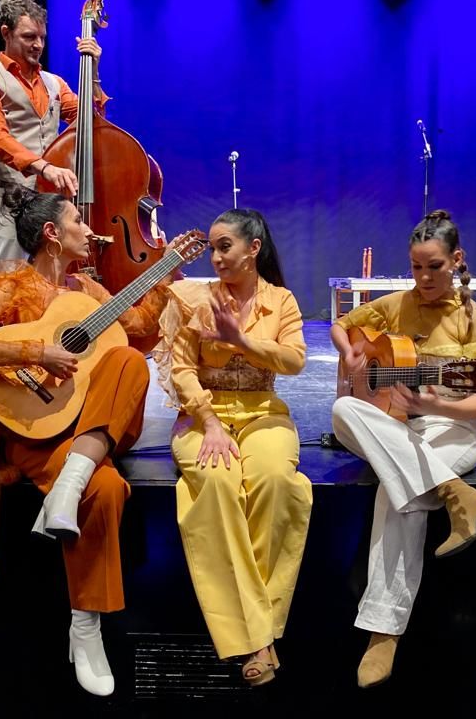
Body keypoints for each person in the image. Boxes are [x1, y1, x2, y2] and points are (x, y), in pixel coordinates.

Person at [0, 186, 173, 697]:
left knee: (129, 361)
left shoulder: (87, 290)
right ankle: (86, 625)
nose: (90, 230)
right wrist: (39, 352)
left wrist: (164, 269)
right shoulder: (9, 285)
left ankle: (72, 481)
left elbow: (137, 327)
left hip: (90, 423)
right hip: (37, 429)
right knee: (109, 491)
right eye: (78, 221)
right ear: (52, 234)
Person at [330, 210, 476, 688]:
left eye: (434, 266)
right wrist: (351, 353)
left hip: (449, 431)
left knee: (396, 491)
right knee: (345, 410)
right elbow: (342, 324)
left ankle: (383, 633)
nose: (425, 277)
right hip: (391, 425)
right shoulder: (395, 305)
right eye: (416, 267)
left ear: (457, 260)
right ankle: (455, 494)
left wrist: (432, 401)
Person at [153, 208, 312, 686]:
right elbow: (181, 369)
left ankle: (253, 625)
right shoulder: (195, 300)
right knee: (218, 486)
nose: (216, 256)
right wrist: (209, 420)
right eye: (214, 247)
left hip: (264, 412)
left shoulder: (280, 301)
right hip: (205, 417)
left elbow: (295, 361)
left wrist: (240, 340)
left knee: (277, 482)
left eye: (225, 246)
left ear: (253, 249)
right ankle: (260, 639)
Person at [0, 0, 108, 268]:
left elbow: (93, 123)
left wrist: (93, 71)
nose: (38, 45)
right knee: (13, 290)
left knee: (54, 290)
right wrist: (45, 167)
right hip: (8, 201)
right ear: (6, 33)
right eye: (29, 37)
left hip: (48, 204)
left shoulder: (54, 83)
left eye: (42, 37)